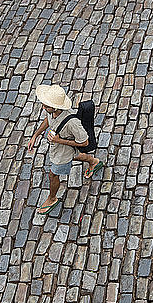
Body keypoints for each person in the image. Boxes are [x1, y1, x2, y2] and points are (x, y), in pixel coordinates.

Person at [27, 84, 104, 215]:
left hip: (62, 150)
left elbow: (84, 141)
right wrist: (35, 135)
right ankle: (93, 161)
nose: (43, 107)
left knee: (53, 175)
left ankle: (52, 199)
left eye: (46, 106)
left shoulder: (73, 123)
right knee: (74, 155)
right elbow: (48, 119)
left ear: (56, 107)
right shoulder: (51, 110)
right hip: (61, 147)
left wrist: (58, 140)